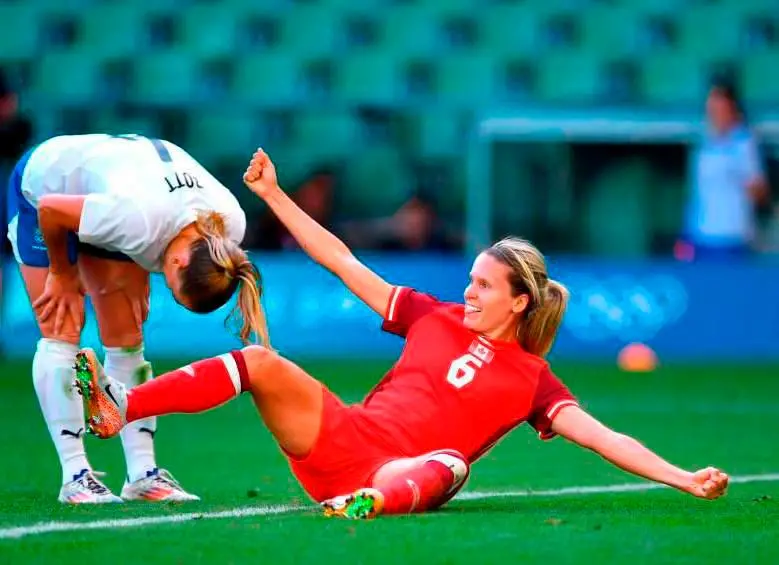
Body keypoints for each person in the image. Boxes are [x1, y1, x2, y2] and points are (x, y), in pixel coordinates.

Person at [74, 149, 729, 519]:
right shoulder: (430, 314)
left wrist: (681, 476)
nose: (466, 291)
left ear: (518, 300)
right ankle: (118, 406)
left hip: (401, 474)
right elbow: (341, 260)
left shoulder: (535, 379)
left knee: (451, 463)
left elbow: (605, 438)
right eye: (469, 280)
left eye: (481, 285)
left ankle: (368, 502)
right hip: (339, 439)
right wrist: (273, 194)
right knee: (258, 360)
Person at [6, 133, 269, 504]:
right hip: (45, 191)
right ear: (176, 262)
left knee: (127, 337)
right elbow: (52, 209)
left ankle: (143, 475)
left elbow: (160, 230)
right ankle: (75, 476)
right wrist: (63, 273)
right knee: (62, 326)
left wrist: (143, 261)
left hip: (118, 199)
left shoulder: (227, 231)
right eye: (173, 289)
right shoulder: (137, 220)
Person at [679, 79, 770, 261]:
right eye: (712, 108)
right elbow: (697, 192)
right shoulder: (704, 144)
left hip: (734, 237)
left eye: (721, 108)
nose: (716, 114)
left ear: (732, 109)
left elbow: (758, 190)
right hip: (703, 235)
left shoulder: (745, 144)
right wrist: (686, 234)